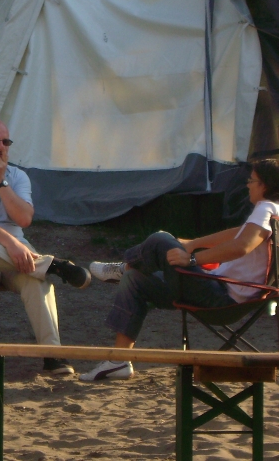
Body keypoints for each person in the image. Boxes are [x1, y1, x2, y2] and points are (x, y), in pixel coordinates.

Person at [81, 158, 279, 381]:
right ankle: (119, 360)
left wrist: (192, 259)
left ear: (264, 185)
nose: (247, 185)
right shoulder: (274, 213)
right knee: (134, 279)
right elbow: (237, 234)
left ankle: (123, 266)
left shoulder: (266, 207)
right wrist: (193, 244)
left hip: (220, 298)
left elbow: (242, 245)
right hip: (229, 298)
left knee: (160, 239)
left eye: (251, 180)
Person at [0, 118, 91, 375]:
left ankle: (52, 355)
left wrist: (0, 183)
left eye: (6, 142)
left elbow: (24, 219)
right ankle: (52, 265)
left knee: (36, 279)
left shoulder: (17, 176)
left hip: (15, 257)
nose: (0, 147)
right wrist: (12, 244)